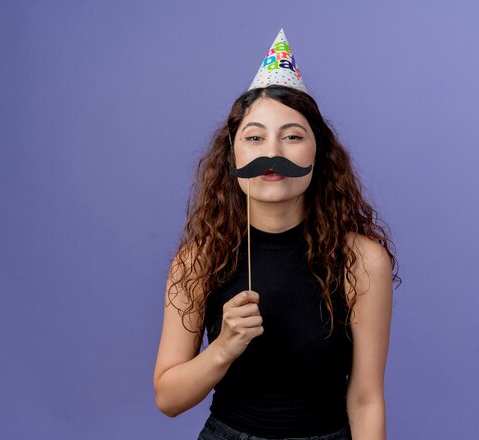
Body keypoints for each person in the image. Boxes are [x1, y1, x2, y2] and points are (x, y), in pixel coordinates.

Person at [153, 29, 400, 440]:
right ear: (232, 154)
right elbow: (168, 398)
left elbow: (366, 398)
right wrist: (224, 347)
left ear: (317, 154)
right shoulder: (198, 261)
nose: (273, 153)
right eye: (254, 137)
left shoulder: (362, 261)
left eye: (292, 136)